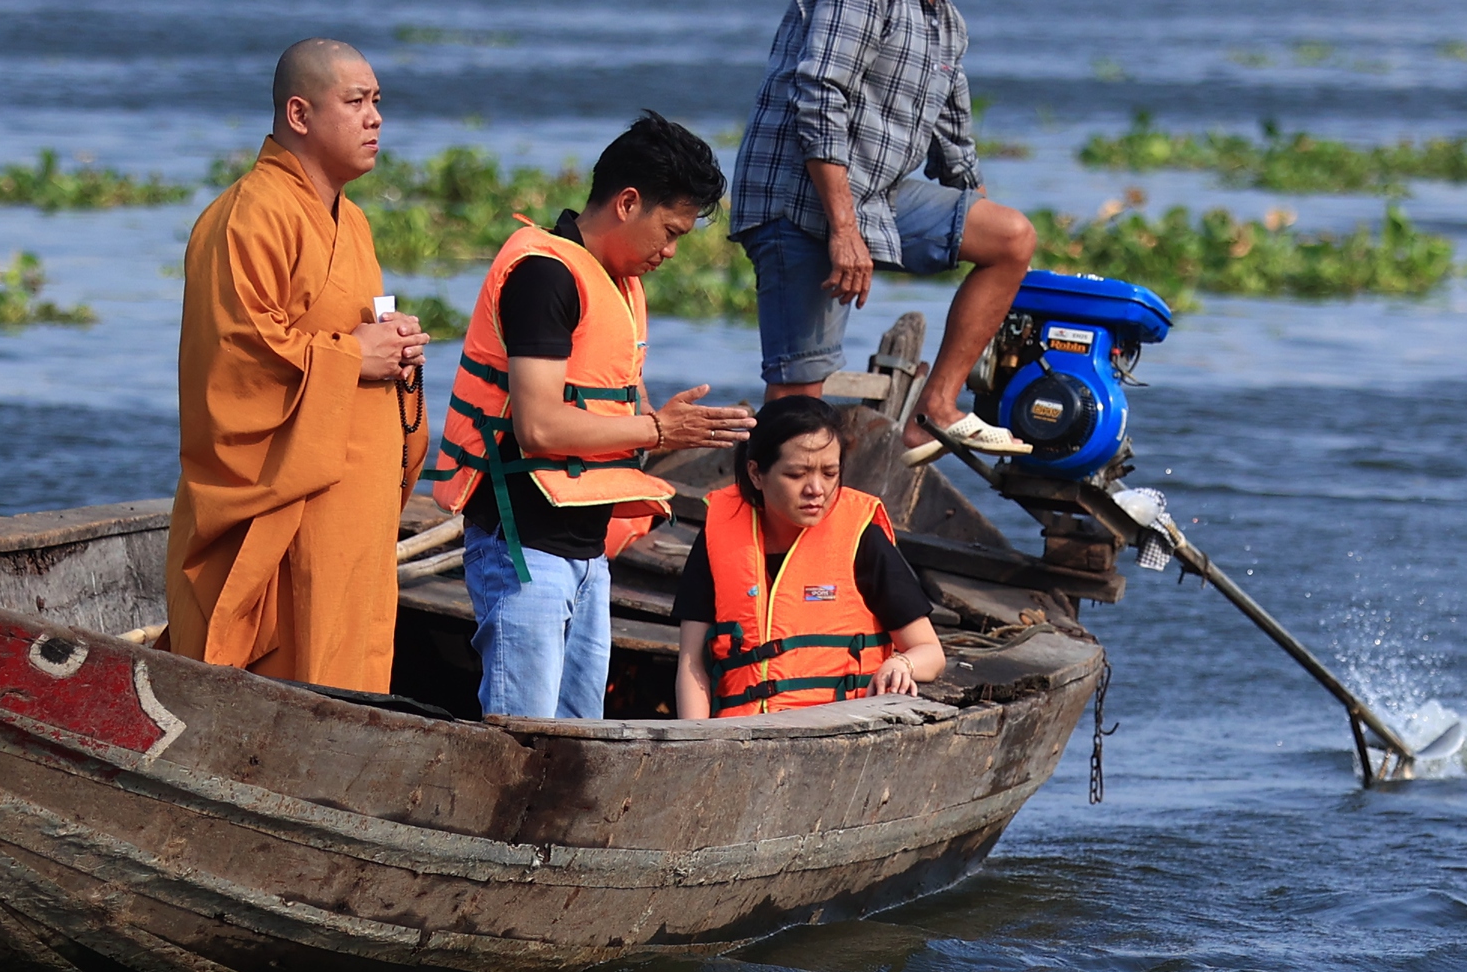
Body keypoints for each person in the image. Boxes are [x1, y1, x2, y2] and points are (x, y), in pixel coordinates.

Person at [423, 112, 756, 720]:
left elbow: (612, 403)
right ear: (628, 202)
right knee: (523, 736)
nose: (672, 251)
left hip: (585, 553)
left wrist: (664, 420)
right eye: (671, 229)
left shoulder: (617, 283)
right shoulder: (546, 275)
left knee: (579, 738)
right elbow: (540, 427)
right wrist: (660, 431)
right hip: (524, 546)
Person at [730, 0, 1041, 466]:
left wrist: (969, 210)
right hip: (799, 198)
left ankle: (936, 408)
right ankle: (760, 535)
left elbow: (953, 140)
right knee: (798, 392)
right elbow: (819, 95)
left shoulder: (946, 20)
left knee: (1008, 239)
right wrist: (844, 230)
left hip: (877, 196)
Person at [162, 38, 429, 693]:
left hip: (357, 501)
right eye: (357, 101)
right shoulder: (249, 217)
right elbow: (238, 358)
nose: (375, 118)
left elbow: (353, 329)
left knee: (354, 658)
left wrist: (396, 348)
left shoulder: (356, 225)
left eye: (377, 103)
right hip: (293, 501)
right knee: (297, 671)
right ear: (301, 115)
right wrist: (350, 357)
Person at [672, 396, 945, 719]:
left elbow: (931, 652)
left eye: (830, 473)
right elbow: (692, 664)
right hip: (740, 738)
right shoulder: (719, 534)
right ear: (756, 474)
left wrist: (902, 663)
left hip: (840, 734)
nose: (816, 489)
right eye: (797, 474)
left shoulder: (862, 537)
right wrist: (699, 744)